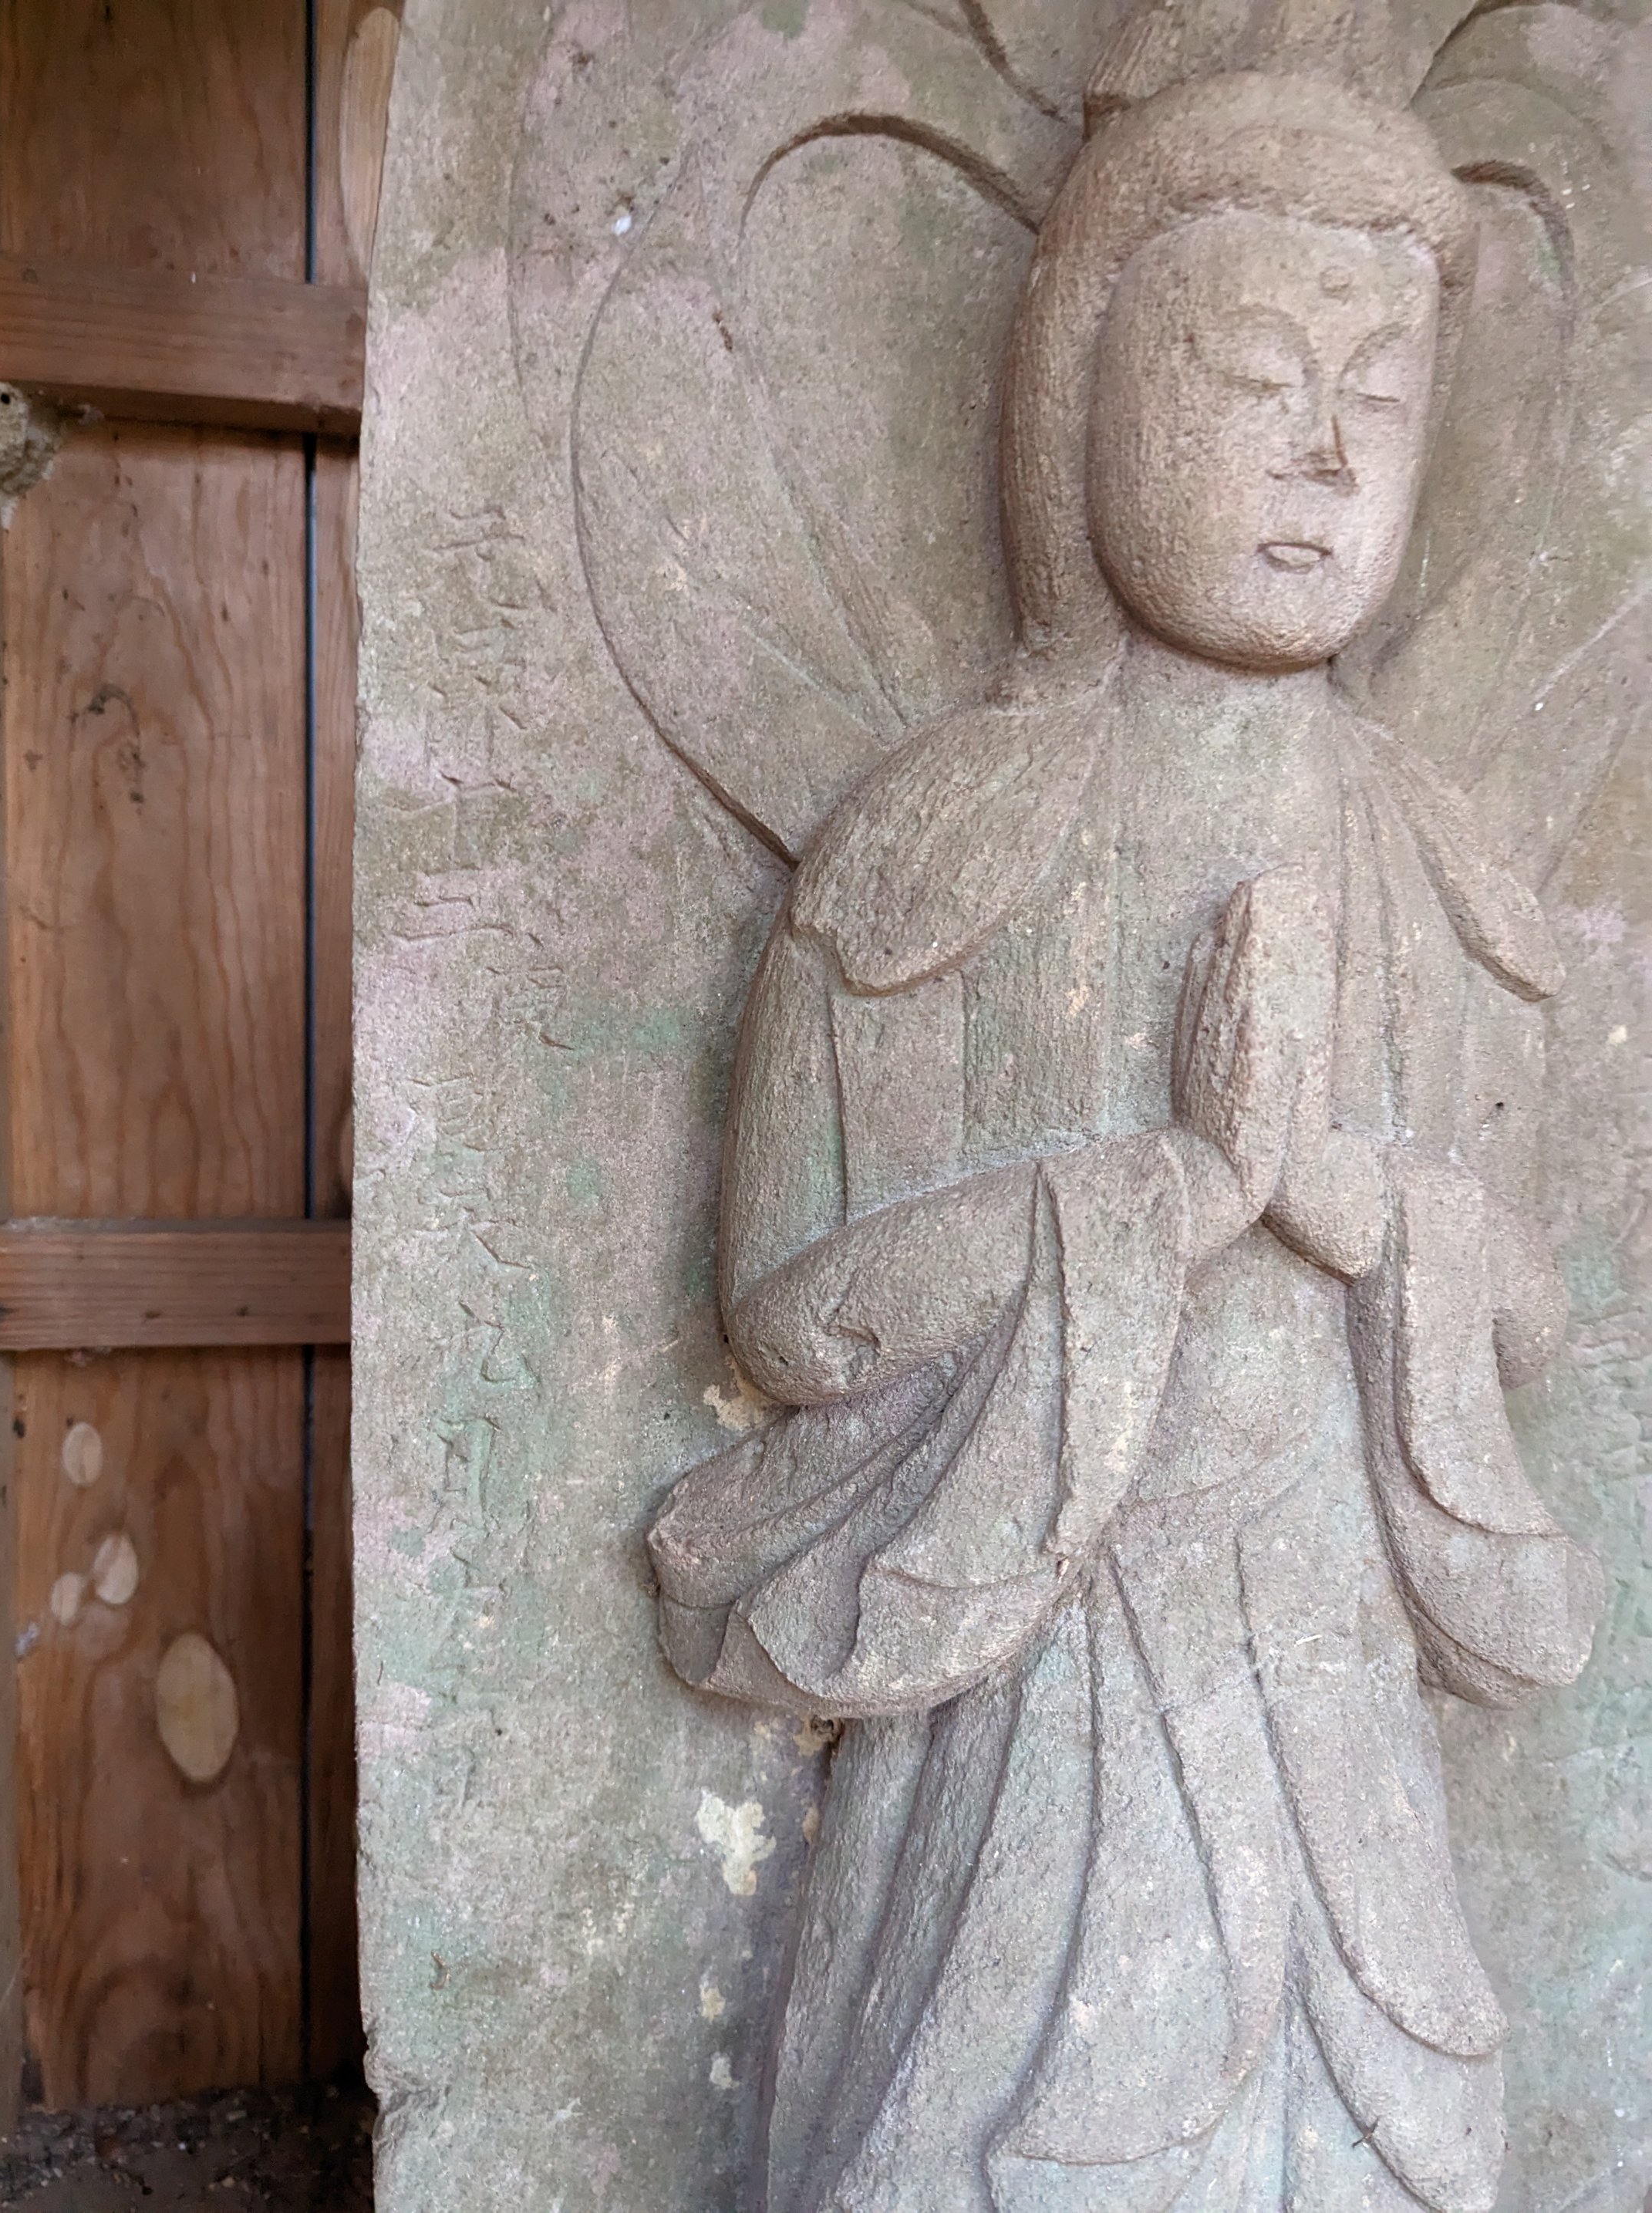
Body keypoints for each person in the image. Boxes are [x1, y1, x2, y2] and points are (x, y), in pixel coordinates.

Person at [649, 43, 1601, 2213]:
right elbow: (788, 1311)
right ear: (1081, 392)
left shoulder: (1443, 871)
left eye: (1380, 397)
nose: (1322, 454)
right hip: (1036, 1653)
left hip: (1336, 1663)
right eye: (1252, 376)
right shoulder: (944, 840)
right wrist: (1157, 1193)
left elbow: (1528, 1311)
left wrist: (1348, 1206)